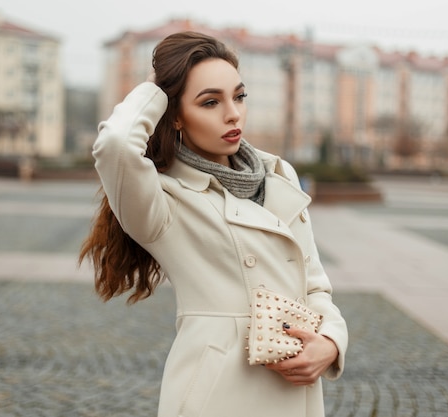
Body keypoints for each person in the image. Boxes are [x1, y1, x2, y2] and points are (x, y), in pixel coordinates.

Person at [80, 31, 348, 417]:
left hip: (294, 391)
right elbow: (116, 145)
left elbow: (315, 284)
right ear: (174, 116)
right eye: (210, 102)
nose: (233, 113)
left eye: (238, 96)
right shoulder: (165, 200)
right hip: (217, 394)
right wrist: (160, 86)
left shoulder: (279, 175)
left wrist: (330, 341)